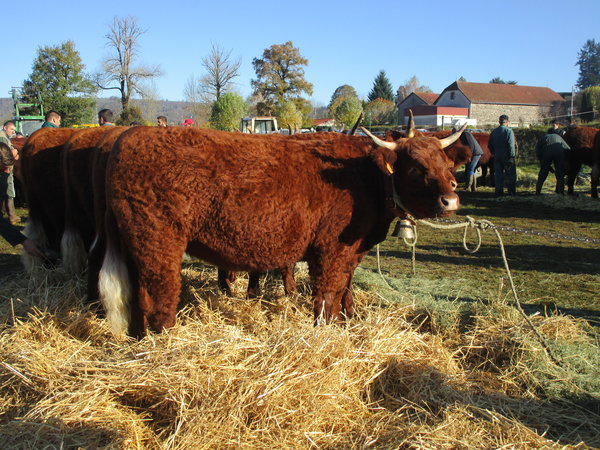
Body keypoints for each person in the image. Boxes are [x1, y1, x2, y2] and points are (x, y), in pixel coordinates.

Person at [535, 127, 570, 195]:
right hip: (559, 153)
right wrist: (566, 161)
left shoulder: (543, 137)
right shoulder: (558, 137)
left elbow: (538, 152)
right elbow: (568, 148)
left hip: (546, 153)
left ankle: (537, 192)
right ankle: (560, 192)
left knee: (543, 173)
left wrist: (546, 166)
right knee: (560, 174)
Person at [488, 114, 516, 196]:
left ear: (499, 122)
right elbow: (511, 145)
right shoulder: (509, 131)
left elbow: (489, 145)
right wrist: (512, 156)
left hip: (497, 155)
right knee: (511, 174)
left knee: (498, 175)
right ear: (507, 122)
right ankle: (511, 192)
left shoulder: (494, 131)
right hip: (507, 155)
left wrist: (494, 152)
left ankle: (499, 193)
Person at [0, 121, 20, 224]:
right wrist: (14, 153)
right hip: (4, 169)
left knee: (7, 191)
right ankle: (12, 216)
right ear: (5, 127)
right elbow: (5, 155)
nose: (13, 132)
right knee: (7, 191)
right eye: (11, 129)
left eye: (14, 130)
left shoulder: (6, 137)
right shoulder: (2, 138)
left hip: (6, 168)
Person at [453, 126, 484, 191]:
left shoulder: (466, 134)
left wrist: (469, 156)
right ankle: (473, 187)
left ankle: (468, 187)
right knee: (471, 169)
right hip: (476, 153)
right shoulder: (465, 134)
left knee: (470, 169)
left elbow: (471, 146)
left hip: (475, 154)